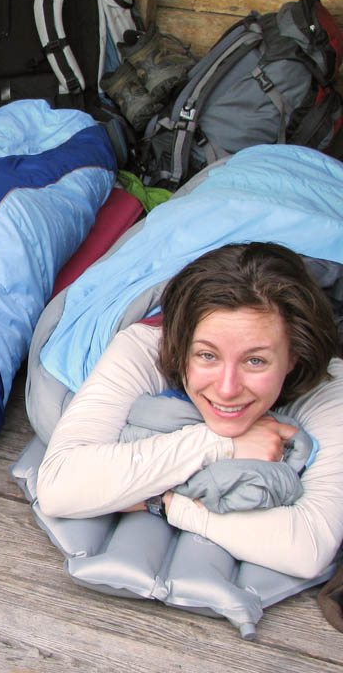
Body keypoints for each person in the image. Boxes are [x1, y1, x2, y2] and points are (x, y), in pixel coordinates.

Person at [36, 241, 343, 578]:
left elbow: (309, 547)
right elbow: (58, 485)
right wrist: (219, 444)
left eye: (255, 361)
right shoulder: (144, 346)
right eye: (207, 356)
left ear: (292, 358)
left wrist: (164, 502)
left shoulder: (330, 383)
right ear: (180, 347)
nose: (227, 389)